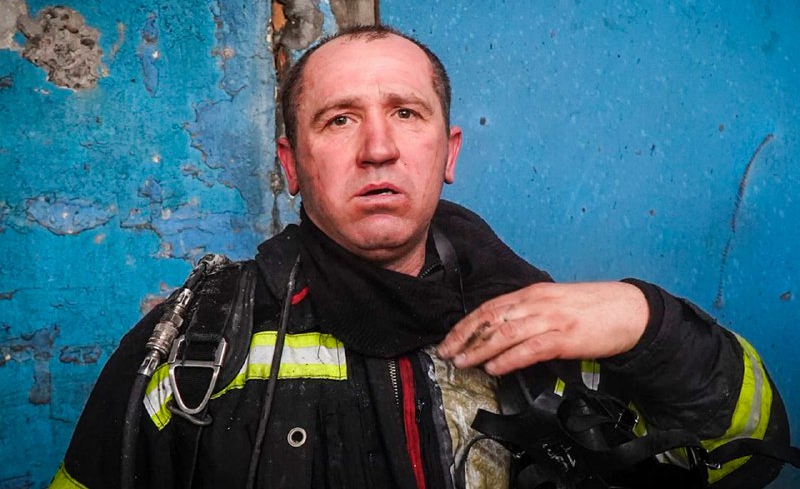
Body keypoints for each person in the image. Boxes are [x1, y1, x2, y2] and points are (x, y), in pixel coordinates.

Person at [51, 25, 790, 489]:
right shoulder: (201, 341)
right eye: (339, 120)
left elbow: (750, 455)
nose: (378, 148)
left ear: (449, 153)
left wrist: (649, 322)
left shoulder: (551, 323)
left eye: (406, 113)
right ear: (291, 165)